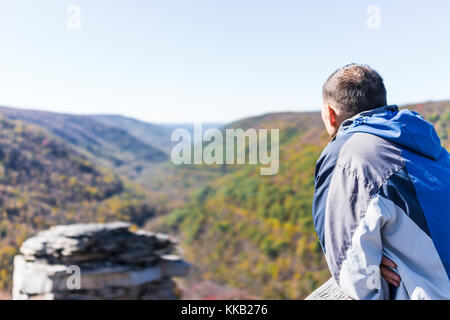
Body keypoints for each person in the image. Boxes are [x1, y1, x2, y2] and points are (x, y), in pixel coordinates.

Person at [312, 63, 450, 299]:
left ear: (330, 114)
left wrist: (374, 261)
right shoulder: (428, 145)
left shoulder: (347, 155)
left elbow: (354, 274)